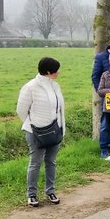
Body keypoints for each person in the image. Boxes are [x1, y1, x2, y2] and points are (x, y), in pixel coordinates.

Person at [17, 57, 66, 207]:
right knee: (35, 163)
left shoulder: (55, 86)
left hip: (55, 130)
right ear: (48, 71)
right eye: (56, 70)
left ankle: (50, 191)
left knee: (51, 162)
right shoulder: (30, 87)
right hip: (36, 132)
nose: (59, 72)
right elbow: (21, 110)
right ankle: (31, 194)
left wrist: (61, 127)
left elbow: (59, 108)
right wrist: (33, 125)